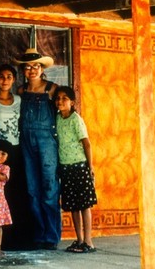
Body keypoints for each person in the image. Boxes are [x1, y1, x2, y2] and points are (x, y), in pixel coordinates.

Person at [14, 48, 61, 250]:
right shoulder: (21, 92)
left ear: (42, 69)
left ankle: (51, 236)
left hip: (47, 143)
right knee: (33, 190)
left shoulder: (52, 89)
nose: (32, 70)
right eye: (28, 67)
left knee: (49, 188)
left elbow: (65, 114)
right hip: (26, 142)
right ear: (23, 71)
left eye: (36, 66)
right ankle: (39, 234)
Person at [0, 64, 31, 249]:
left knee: (16, 193)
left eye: (9, 76)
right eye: (1, 76)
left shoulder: (19, 100)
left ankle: (18, 238)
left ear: (14, 79)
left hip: (15, 151)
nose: (5, 80)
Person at [54, 85, 97, 253]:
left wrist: (90, 166)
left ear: (72, 102)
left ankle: (88, 241)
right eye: (58, 98)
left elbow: (86, 143)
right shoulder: (57, 118)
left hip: (79, 166)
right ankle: (79, 239)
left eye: (65, 98)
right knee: (73, 206)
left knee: (85, 205)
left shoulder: (75, 119)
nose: (60, 101)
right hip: (65, 167)